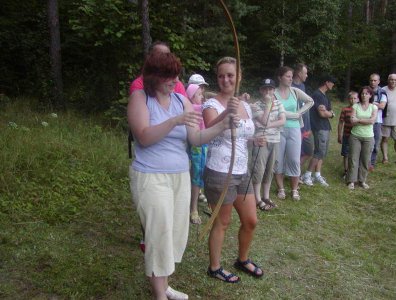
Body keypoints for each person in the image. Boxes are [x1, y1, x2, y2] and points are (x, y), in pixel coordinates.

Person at [127, 51, 236, 300]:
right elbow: (143, 136)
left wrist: (222, 125)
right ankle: (159, 295)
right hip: (151, 176)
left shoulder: (181, 101)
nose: (173, 80)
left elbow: (196, 138)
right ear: (153, 76)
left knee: (175, 233)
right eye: (167, 75)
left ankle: (163, 285)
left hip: (180, 176)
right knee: (158, 233)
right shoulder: (140, 98)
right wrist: (174, 121)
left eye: (175, 75)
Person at [203, 57, 264, 283]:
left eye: (230, 75)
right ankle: (215, 267)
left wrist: (255, 139)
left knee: (251, 220)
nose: (225, 79)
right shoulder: (212, 105)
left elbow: (242, 134)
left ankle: (242, 259)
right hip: (220, 170)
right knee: (223, 222)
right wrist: (225, 113)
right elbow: (208, 129)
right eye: (221, 75)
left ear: (239, 77)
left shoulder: (245, 105)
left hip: (241, 171)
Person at [273, 66, 314, 201]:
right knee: (278, 159)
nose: (291, 79)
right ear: (280, 77)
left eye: (291, 76)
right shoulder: (273, 93)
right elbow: (274, 111)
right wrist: (291, 114)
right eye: (287, 76)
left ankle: (295, 189)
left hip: (295, 129)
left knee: (294, 159)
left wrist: (299, 113)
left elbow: (310, 101)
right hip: (279, 129)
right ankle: (281, 188)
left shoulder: (295, 92)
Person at [250, 78, 285, 211]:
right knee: (259, 168)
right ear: (260, 90)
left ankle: (266, 196)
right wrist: (268, 105)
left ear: (274, 90)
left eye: (270, 89)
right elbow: (263, 120)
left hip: (275, 140)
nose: (268, 91)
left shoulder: (279, 104)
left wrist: (268, 124)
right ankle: (257, 198)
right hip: (261, 140)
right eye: (265, 89)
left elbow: (283, 120)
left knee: (270, 169)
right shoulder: (256, 105)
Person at [301, 75, 336, 187]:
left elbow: (329, 111)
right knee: (319, 152)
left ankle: (317, 174)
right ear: (327, 82)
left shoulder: (324, 96)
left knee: (323, 152)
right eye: (332, 83)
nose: (333, 85)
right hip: (319, 126)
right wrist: (331, 114)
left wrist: (330, 113)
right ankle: (307, 175)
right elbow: (322, 113)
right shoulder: (318, 95)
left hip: (325, 126)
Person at [347, 86, 378, 189]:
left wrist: (358, 120)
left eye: (366, 93)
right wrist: (365, 120)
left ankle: (362, 180)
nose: (364, 95)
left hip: (368, 137)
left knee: (365, 160)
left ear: (370, 95)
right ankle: (352, 180)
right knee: (353, 159)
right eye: (362, 93)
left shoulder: (374, 107)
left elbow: (372, 121)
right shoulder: (355, 106)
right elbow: (352, 120)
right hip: (355, 136)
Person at [186, 83, 207, 224]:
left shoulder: (192, 106)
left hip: (200, 144)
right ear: (192, 97)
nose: (202, 97)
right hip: (198, 146)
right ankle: (193, 209)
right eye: (199, 95)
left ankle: (193, 206)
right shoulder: (195, 108)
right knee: (197, 177)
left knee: (197, 176)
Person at [292, 63, 313, 184]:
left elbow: (306, 106)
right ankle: (295, 175)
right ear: (299, 74)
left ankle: (294, 172)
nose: (307, 75)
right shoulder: (291, 87)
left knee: (309, 151)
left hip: (306, 126)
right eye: (305, 73)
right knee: (297, 153)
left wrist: (308, 126)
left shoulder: (303, 86)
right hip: (296, 126)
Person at [337, 91, 359, 179]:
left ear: (358, 99)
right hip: (347, 135)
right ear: (348, 99)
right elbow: (341, 122)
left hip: (357, 135)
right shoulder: (345, 109)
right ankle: (346, 171)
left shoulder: (360, 109)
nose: (352, 100)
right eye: (351, 98)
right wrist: (339, 134)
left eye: (354, 98)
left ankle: (354, 171)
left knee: (355, 154)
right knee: (346, 154)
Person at [368, 73, 388, 170]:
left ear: (379, 81)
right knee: (366, 142)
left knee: (375, 143)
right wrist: (376, 104)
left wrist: (370, 103)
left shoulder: (382, 92)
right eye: (371, 80)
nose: (373, 82)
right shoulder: (365, 91)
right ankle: (364, 161)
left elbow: (382, 106)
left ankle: (372, 163)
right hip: (366, 120)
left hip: (377, 121)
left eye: (375, 80)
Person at [380, 74, 396, 163]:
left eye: (395, 80)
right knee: (385, 138)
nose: (393, 81)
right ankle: (385, 158)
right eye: (391, 79)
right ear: (388, 80)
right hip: (385, 118)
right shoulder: (383, 90)